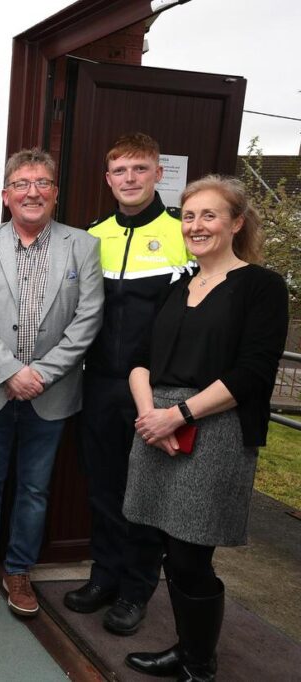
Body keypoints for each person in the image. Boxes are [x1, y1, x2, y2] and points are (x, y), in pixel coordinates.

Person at [122, 176, 288, 681]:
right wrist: (153, 416)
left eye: (209, 215)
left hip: (214, 429)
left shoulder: (261, 286)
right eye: (189, 216)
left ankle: (200, 665)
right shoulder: (178, 287)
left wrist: (181, 414)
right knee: (170, 549)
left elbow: (252, 372)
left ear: (236, 222)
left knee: (193, 554)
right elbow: (140, 360)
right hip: (158, 424)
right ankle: (186, 648)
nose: (196, 225)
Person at [0, 148, 103, 618]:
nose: (33, 192)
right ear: (6, 195)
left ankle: (19, 571)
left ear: (55, 193)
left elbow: (88, 320)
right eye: (22, 184)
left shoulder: (82, 246)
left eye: (43, 183)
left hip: (52, 392)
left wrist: (41, 375)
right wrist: (10, 371)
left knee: (34, 489)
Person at [64, 133, 194, 635]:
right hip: (98, 384)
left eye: (140, 169)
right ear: (108, 179)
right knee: (102, 488)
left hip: (155, 391)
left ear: (159, 174)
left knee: (144, 493)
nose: (130, 179)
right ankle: (104, 577)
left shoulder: (183, 233)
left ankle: (137, 590)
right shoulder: (92, 235)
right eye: (120, 171)